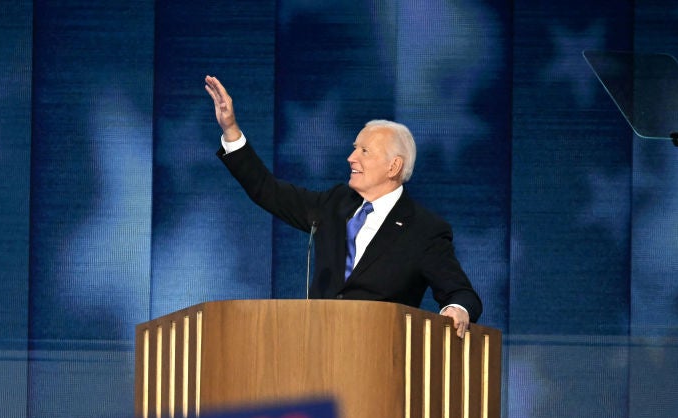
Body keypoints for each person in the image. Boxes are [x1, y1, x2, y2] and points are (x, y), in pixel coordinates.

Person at [204, 75, 482, 338]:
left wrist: (456, 310)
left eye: (364, 151)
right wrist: (230, 129)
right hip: (316, 351)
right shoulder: (335, 204)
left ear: (393, 166)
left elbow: (461, 294)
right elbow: (268, 191)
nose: (350, 158)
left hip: (378, 361)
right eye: (354, 148)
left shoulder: (424, 230)